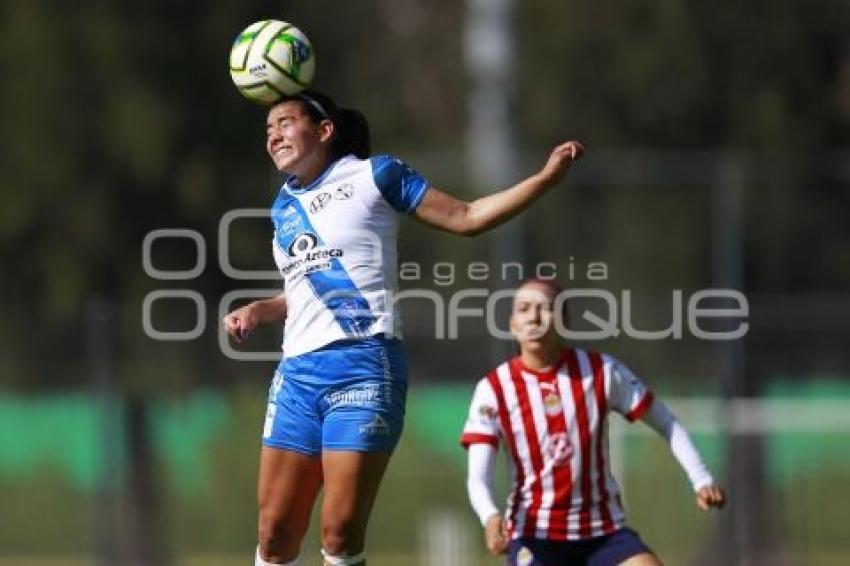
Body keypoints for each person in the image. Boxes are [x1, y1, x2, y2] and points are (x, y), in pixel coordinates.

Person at [222, 90, 585, 566]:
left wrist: (545, 180)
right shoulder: (283, 208)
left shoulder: (375, 175)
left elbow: (468, 217)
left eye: (285, 123)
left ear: (325, 130)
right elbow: (309, 291)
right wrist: (259, 310)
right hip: (297, 375)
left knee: (340, 531)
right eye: (268, 130)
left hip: (364, 369)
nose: (274, 137)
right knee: (274, 534)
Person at [460, 278, 726, 566]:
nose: (534, 318)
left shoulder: (601, 372)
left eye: (546, 308)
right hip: (534, 536)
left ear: (566, 321)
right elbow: (478, 475)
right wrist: (490, 516)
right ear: (512, 323)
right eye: (524, 309)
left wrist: (701, 478)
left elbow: (665, 422)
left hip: (605, 536)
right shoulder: (494, 388)